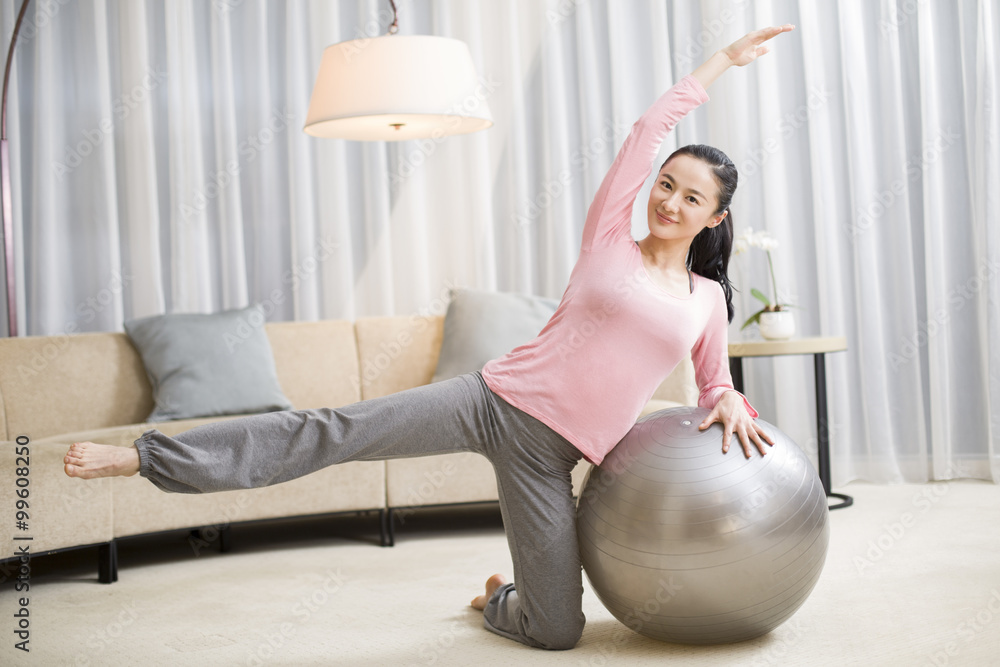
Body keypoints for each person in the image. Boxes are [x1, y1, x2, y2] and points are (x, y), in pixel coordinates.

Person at [64, 24, 794, 651]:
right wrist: (719, 63)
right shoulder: (609, 238)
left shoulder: (705, 302)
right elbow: (644, 134)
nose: (669, 200)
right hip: (489, 398)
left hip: (551, 459)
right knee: (331, 430)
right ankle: (142, 458)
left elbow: (713, 383)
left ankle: (494, 599)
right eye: (667, 184)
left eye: (691, 197)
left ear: (714, 219)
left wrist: (731, 402)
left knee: (559, 630)